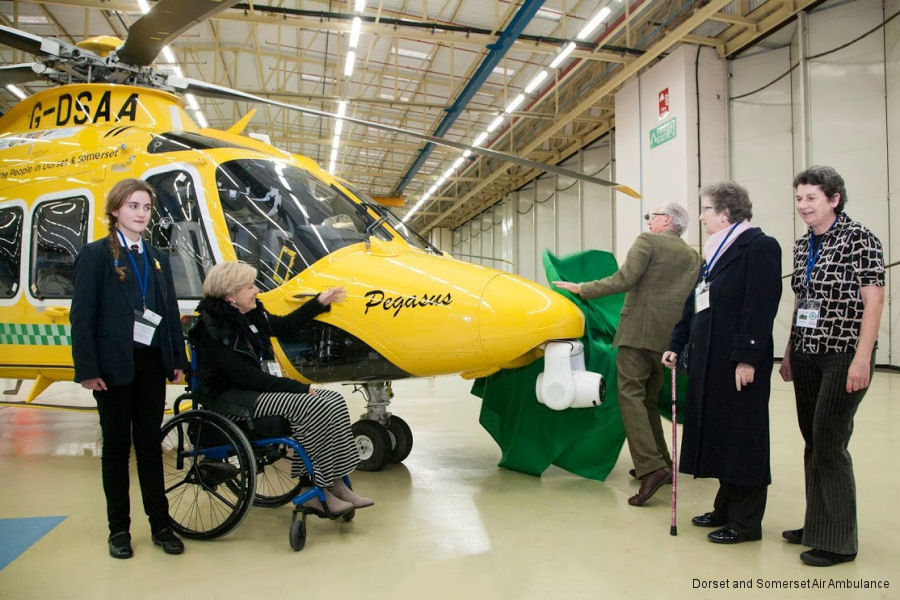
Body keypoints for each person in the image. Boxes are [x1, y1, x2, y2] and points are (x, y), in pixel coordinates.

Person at [189, 261, 372, 516]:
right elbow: (245, 377)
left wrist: (319, 302)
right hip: (234, 399)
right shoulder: (212, 329)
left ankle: (337, 482)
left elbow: (284, 326)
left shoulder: (250, 315)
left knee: (334, 400)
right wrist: (297, 387)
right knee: (312, 404)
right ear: (231, 296)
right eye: (249, 286)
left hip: (257, 391)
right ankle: (312, 489)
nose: (256, 291)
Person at [553, 203, 702, 506]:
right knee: (648, 399)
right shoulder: (694, 257)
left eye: (653, 216)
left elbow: (623, 279)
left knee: (630, 397)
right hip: (668, 340)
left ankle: (652, 468)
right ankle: (662, 461)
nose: (649, 221)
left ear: (667, 221)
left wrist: (581, 288)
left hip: (638, 333)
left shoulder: (647, 242)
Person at [71, 178, 188, 559]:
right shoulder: (95, 255)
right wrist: (87, 368)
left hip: (152, 365)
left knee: (151, 447)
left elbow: (169, 312)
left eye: (147, 208)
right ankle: (118, 530)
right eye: (134, 206)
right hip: (113, 368)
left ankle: (160, 525)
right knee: (117, 449)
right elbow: (82, 316)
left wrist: (177, 361)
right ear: (116, 211)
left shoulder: (156, 257)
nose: (141, 213)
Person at [662, 180, 781, 544]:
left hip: (737, 362)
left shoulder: (758, 246)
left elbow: (761, 306)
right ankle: (726, 507)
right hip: (710, 360)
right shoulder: (714, 254)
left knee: (743, 437)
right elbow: (696, 304)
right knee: (720, 434)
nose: (700, 216)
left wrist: (747, 357)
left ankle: (747, 522)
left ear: (726, 212)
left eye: (707, 209)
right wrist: (677, 342)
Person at [778, 166, 884, 567]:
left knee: (830, 442)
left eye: (811, 198)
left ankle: (840, 541)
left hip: (843, 353)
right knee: (812, 440)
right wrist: (790, 351)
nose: (803, 206)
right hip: (807, 353)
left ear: (834, 199)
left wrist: (862, 357)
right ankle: (816, 525)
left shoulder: (860, 240)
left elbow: (874, 301)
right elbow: (802, 303)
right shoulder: (803, 246)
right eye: (799, 199)